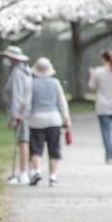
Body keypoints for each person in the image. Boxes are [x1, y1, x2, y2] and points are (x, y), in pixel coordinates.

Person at [27, 57, 71, 187]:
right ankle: (53, 177)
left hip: (36, 119)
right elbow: (62, 102)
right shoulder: (55, 83)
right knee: (54, 148)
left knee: (36, 148)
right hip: (53, 119)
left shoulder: (31, 83)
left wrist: (23, 115)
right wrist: (66, 118)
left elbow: (26, 102)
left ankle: (37, 171)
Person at [0, 45, 33, 185]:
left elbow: (16, 97)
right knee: (23, 142)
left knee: (22, 142)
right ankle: (24, 171)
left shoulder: (18, 74)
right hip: (24, 112)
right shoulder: (25, 71)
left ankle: (23, 172)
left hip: (21, 113)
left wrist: (15, 117)